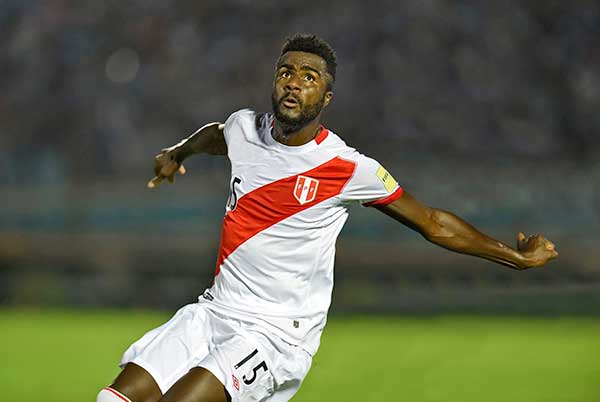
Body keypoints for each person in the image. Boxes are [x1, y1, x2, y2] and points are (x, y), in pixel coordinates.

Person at [97, 34, 558, 402]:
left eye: (309, 76)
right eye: (286, 72)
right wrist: (176, 154)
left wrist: (514, 258)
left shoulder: (346, 167)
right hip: (213, 311)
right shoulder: (243, 129)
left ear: (327, 96)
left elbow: (433, 222)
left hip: (276, 334)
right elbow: (215, 136)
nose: (293, 83)